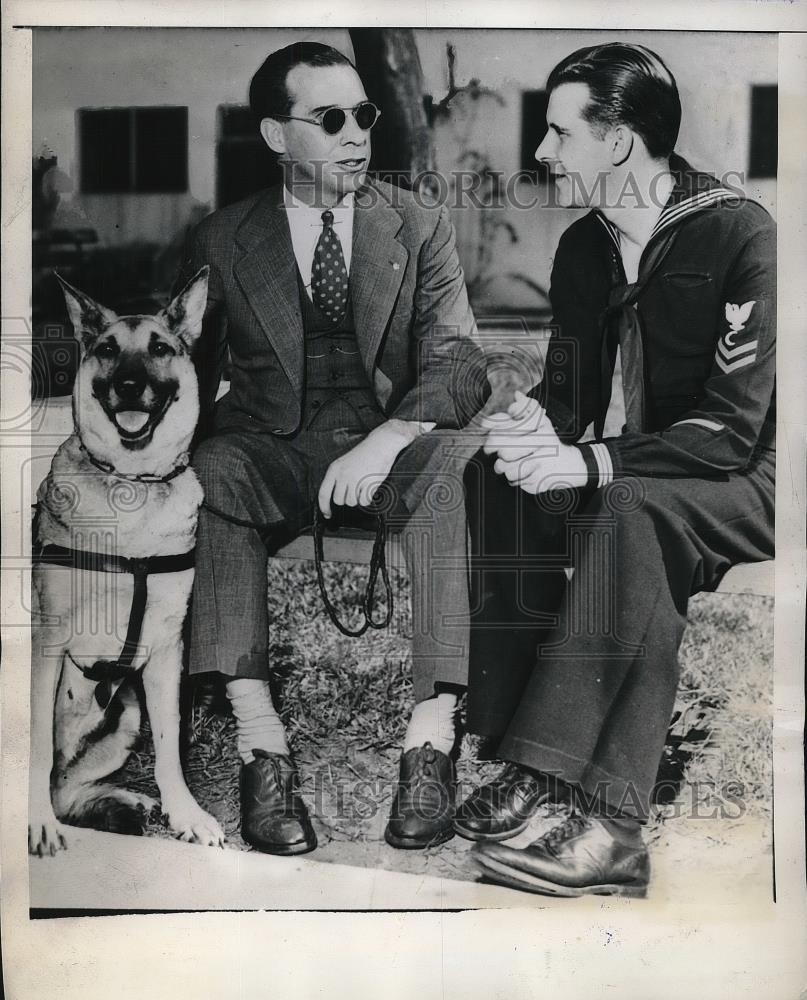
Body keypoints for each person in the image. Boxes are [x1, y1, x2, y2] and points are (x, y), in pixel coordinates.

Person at [455, 42, 775, 898]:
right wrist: (532, 430)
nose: (542, 152)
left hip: (750, 479)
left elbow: (731, 429)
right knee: (495, 480)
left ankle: (613, 825)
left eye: (559, 133)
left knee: (627, 509)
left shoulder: (741, 232)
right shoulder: (581, 249)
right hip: (642, 469)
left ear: (620, 142)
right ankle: (526, 757)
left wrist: (589, 459)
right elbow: (570, 397)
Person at [178, 42, 488, 856]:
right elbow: (185, 373)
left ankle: (430, 740)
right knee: (213, 469)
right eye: (330, 119)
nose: (357, 135)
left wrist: (388, 439)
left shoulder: (417, 224)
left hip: (388, 451)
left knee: (453, 470)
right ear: (278, 137)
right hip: (274, 452)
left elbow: (458, 361)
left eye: (364, 116)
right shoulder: (221, 240)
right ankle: (260, 744)